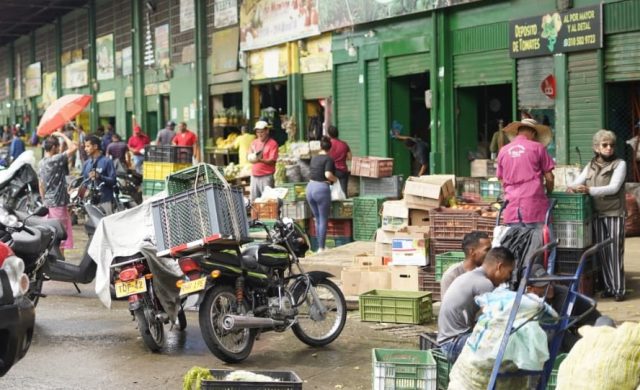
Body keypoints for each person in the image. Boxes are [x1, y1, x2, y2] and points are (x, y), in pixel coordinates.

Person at [568, 129, 626, 302]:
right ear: (596, 147)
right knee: (602, 251)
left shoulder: (619, 164)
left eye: (611, 145)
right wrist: (572, 187)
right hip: (597, 212)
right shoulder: (591, 165)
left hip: (614, 212)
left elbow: (614, 187)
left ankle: (619, 289)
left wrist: (589, 190)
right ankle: (608, 287)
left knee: (615, 250)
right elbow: (577, 182)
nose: (609, 148)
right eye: (605, 145)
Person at [437, 247, 515, 363]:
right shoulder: (484, 284)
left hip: (448, 341)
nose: (508, 277)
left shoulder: (472, 276)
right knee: (508, 344)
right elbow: (495, 320)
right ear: (499, 266)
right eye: (509, 272)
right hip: (454, 344)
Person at [526, 264, 615, 352]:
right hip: (575, 331)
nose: (549, 287)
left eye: (549, 282)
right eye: (543, 286)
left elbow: (557, 327)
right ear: (530, 289)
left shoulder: (562, 297)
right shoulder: (529, 299)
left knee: (553, 336)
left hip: (590, 332)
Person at [497, 118, 555, 225]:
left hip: (511, 208)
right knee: (538, 240)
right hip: (533, 207)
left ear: (518, 132)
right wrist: (549, 191)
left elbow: (501, 178)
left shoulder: (503, 150)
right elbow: (549, 177)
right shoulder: (538, 147)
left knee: (514, 241)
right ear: (533, 133)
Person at [38, 131, 78, 255]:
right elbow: (74, 147)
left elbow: (41, 185)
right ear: (54, 147)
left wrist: (44, 200)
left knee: (53, 234)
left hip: (49, 203)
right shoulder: (56, 159)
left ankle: (55, 261)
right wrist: (62, 135)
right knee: (60, 236)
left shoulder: (41, 163)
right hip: (58, 203)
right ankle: (60, 263)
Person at [306, 136, 338, 253]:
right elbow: (328, 175)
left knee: (317, 219)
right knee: (323, 219)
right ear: (330, 148)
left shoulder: (314, 158)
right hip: (321, 189)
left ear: (320, 147)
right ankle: (321, 248)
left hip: (309, 188)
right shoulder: (328, 159)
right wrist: (336, 180)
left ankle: (319, 247)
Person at [440, 231, 491, 297]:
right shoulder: (452, 275)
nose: (491, 253)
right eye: (487, 250)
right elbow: (447, 306)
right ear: (472, 251)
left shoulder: (488, 272)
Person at [81, 135, 117, 215]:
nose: (85, 149)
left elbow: (113, 181)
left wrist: (100, 177)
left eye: (88, 146)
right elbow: (84, 182)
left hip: (105, 201)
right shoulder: (86, 163)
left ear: (95, 146)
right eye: (85, 146)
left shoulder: (107, 161)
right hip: (90, 202)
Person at [249, 120, 279, 201]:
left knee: (268, 202)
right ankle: (254, 214)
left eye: (261, 132)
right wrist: (251, 158)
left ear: (267, 131)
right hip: (254, 176)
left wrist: (260, 160)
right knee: (254, 201)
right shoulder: (253, 143)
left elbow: (273, 161)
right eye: (257, 132)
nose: (259, 134)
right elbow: (249, 156)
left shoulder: (273, 144)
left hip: (266, 177)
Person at [327, 125, 351, 197]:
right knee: (343, 193)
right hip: (342, 170)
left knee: (330, 192)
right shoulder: (344, 144)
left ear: (329, 134)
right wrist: (342, 157)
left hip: (330, 171)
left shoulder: (328, 145)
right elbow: (350, 157)